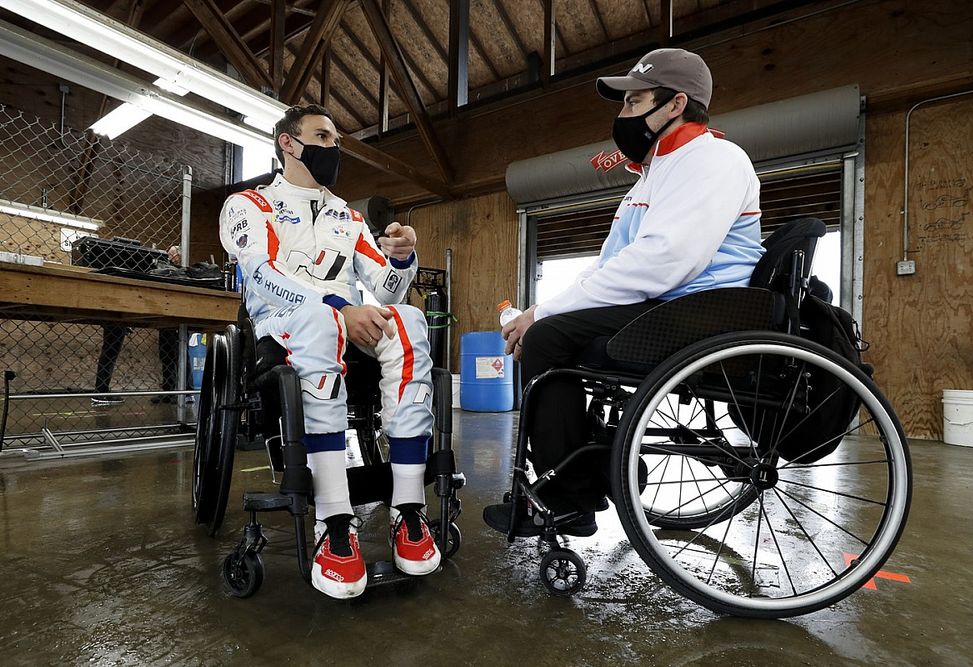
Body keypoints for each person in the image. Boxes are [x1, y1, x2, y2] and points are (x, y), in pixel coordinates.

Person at [483, 48, 765, 537]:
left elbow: (664, 261)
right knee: (551, 330)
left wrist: (544, 315)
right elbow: (613, 266)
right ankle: (589, 463)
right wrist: (543, 309)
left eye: (634, 102)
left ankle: (569, 499)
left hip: (702, 312)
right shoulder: (656, 173)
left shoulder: (713, 158)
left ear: (675, 105)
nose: (622, 115)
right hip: (670, 306)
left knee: (550, 339)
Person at [219, 104, 440, 600]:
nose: (333, 147)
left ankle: (408, 511)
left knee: (410, 321)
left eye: (337, 140)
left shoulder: (347, 215)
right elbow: (261, 275)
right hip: (283, 326)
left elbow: (387, 292)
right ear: (288, 144)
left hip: (348, 324)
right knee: (321, 320)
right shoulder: (248, 204)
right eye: (322, 136)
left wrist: (403, 258)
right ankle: (333, 522)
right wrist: (339, 307)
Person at [92, 245, 183, 406]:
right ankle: (173, 391)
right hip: (136, 312)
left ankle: (177, 391)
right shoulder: (158, 270)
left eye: (172, 255)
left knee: (173, 354)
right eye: (169, 256)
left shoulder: (174, 271)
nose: (169, 258)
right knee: (168, 354)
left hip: (169, 316)